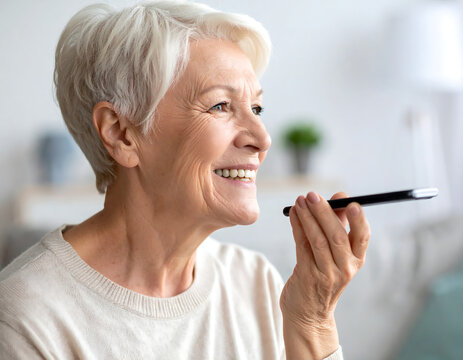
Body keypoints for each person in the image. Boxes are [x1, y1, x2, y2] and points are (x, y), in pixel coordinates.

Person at [0, 1, 370, 359]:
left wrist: (313, 321)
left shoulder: (256, 284)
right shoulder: (26, 319)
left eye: (256, 108)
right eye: (220, 106)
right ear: (121, 134)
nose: (262, 138)